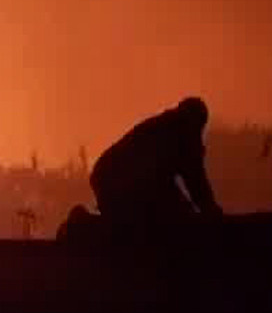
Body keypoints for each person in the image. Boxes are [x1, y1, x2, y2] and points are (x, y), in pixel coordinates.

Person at [89, 97, 222, 227]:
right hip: (116, 183)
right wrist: (210, 212)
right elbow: (196, 181)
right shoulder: (178, 134)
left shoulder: (165, 127)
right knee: (174, 216)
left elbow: (193, 181)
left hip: (108, 180)